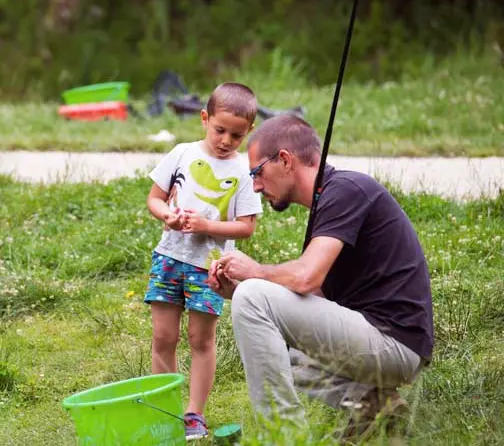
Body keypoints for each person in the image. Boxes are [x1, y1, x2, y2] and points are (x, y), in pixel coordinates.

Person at [206, 114, 434, 441]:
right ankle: (375, 406)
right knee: (265, 326)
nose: (255, 185)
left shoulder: (345, 190)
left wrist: (254, 277)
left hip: (394, 343)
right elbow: (314, 302)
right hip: (377, 340)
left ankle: (283, 437)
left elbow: (305, 279)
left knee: (254, 298)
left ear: (284, 160)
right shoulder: (328, 203)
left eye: (257, 172)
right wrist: (236, 290)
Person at [143, 82, 264, 440]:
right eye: (220, 130)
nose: (226, 140)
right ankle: (163, 409)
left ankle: (194, 413)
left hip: (209, 267)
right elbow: (155, 199)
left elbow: (246, 228)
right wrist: (168, 216)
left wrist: (207, 225)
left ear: (249, 133)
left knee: (201, 340)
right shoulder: (181, 153)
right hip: (168, 258)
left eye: (237, 135)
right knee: (163, 337)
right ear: (204, 118)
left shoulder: (244, 172)